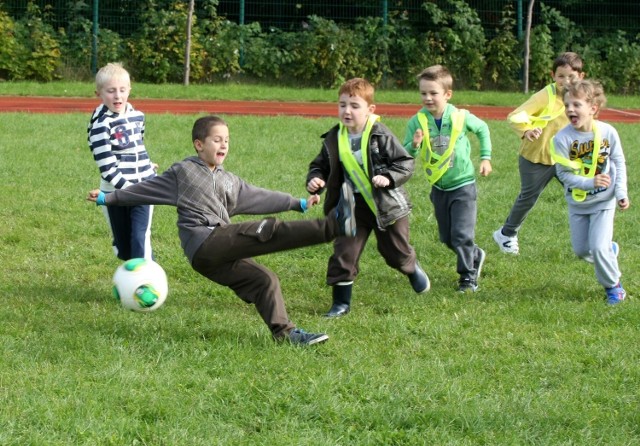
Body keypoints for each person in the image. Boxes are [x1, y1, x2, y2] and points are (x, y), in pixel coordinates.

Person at [87, 115, 358, 345]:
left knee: (264, 280)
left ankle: (285, 334)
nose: (224, 144)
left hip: (214, 258)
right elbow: (144, 190)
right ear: (198, 144)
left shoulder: (230, 182)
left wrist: (296, 203)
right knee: (266, 229)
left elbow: (259, 197)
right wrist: (106, 198)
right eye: (217, 139)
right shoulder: (183, 172)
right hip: (205, 241)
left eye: (226, 140)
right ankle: (334, 225)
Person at [306, 77, 430, 318]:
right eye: (342, 105)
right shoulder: (334, 137)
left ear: (370, 110)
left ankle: (411, 268)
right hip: (351, 205)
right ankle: (341, 304)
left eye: (354, 105)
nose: (347, 111)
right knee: (344, 251)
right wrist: (316, 179)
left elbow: (404, 163)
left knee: (395, 253)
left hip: (386, 205)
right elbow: (320, 165)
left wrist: (389, 178)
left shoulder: (380, 134)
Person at [403, 65, 492, 293]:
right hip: (439, 187)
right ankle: (475, 254)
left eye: (433, 93)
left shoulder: (459, 117)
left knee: (461, 235)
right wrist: (413, 145)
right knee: (447, 238)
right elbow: (405, 152)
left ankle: (467, 278)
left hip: (463, 186)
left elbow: (482, 129)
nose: (428, 98)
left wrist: (485, 158)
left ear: (447, 94)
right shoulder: (417, 121)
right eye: (423, 93)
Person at [493, 52, 585, 255]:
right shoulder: (546, 95)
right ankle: (506, 234)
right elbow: (516, 115)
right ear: (553, 75)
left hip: (566, 160)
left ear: (581, 76)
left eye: (571, 76)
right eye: (561, 76)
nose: (566, 81)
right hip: (536, 157)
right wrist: (527, 130)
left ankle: (592, 240)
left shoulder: (582, 98)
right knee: (528, 198)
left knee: (582, 195)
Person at [552, 79, 629, 305]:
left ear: (593, 108)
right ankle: (609, 250)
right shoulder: (562, 138)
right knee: (582, 250)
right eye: (567, 105)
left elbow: (619, 162)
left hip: (604, 201)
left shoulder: (608, 132)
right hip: (578, 204)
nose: (570, 110)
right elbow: (563, 174)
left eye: (576, 105)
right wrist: (589, 182)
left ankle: (614, 287)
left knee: (597, 247)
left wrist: (621, 192)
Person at [88, 62, 157, 260]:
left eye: (122, 90)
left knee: (140, 237)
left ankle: (146, 280)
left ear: (129, 90)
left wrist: (145, 167)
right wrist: (127, 189)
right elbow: (107, 167)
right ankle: (129, 267)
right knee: (124, 248)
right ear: (99, 94)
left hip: (143, 188)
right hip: (114, 192)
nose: (117, 96)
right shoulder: (100, 126)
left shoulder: (137, 116)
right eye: (111, 91)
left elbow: (137, 146)